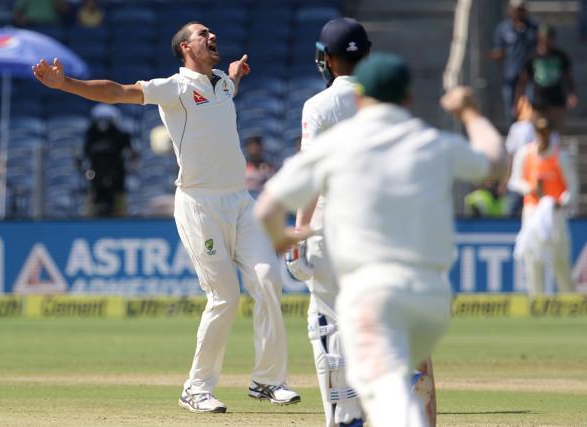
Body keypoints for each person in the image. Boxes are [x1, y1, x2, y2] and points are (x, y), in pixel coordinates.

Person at [32, 21, 299, 414]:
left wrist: (237, 75)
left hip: (240, 202)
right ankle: (196, 388)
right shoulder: (172, 87)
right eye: (203, 35)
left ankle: (267, 381)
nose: (212, 37)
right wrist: (65, 84)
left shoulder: (223, 82)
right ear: (185, 48)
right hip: (198, 204)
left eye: (213, 33)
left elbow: (226, 93)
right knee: (224, 296)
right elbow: (117, 91)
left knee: (269, 280)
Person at [255, 53, 506, 426]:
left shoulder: (336, 147)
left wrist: (285, 237)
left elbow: (265, 210)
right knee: (393, 373)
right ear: (407, 98)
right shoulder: (432, 142)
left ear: (359, 99)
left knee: (381, 391)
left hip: (371, 293)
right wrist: (469, 113)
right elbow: (497, 162)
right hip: (431, 298)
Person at [291, 17, 437, 427]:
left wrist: (298, 235)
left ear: (327, 59)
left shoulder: (319, 106)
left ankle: (347, 415)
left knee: (328, 326)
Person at [509, 116, 577, 294]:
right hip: (532, 210)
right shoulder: (526, 154)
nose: (542, 137)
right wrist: (529, 188)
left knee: (559, 256)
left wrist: (561, 201)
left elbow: (572, 186)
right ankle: (537, 300)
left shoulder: (559, 156)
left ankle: (568, 299)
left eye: (545, 133)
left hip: (554, 212)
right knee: (533, 256)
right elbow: (514, 180)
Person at [515, 24, 579, 133]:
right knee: (539, 134)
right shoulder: (532, 56)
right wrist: (518, 99)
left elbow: (567, 77)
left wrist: (571, 93)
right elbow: (523, 80)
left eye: (549, 38)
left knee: (557, 134)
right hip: (538, 102)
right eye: (544, 38)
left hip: (557, 101)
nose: (546, 41)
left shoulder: (560, 56)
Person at [487, 0, 538, 125]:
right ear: (511, 11)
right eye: (516, 10)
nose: (519, 13)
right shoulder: (503, 28)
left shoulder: (534, 28)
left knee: (530, 104)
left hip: (530, 74)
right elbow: (500, 50)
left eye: (521, 10)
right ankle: (513, 132)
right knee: (511, 107)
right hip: (510, 74)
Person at [82, 103, 135, 217]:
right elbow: (83, 154)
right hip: (95, 179)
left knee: (120, 207)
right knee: (90, 207)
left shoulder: (121, 135)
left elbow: (132, 154)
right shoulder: (90, 135)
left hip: (117, 178)